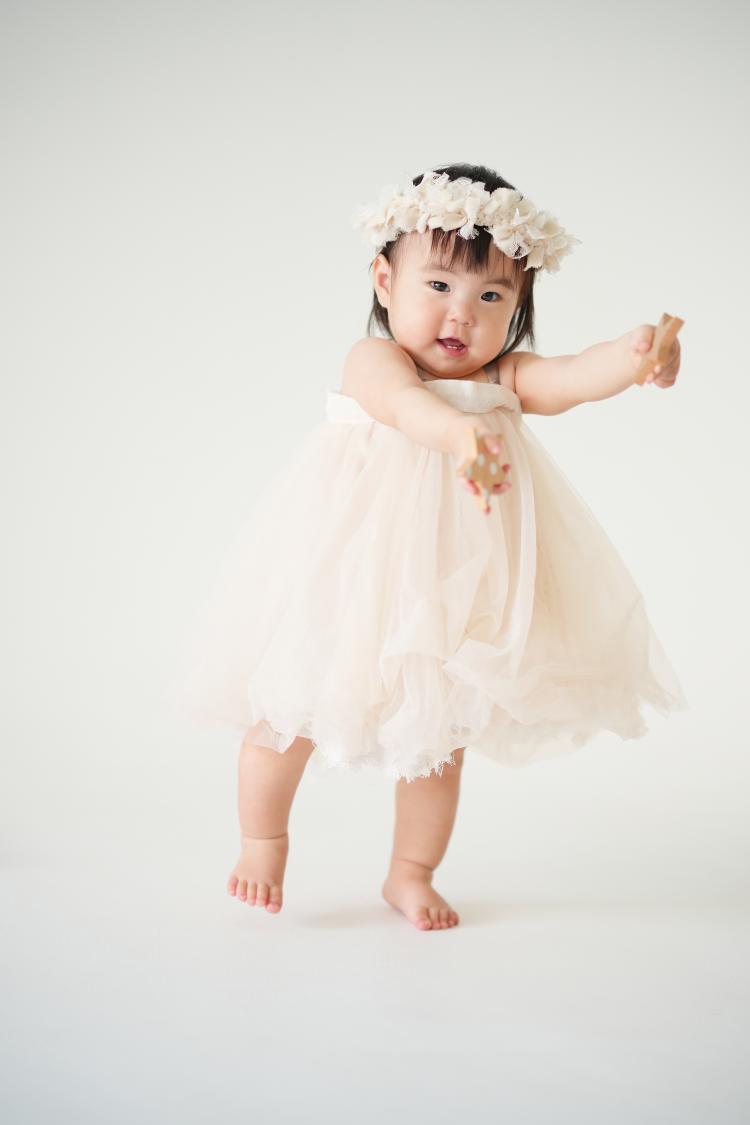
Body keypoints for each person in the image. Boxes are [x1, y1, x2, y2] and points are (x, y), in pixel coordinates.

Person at [171, 163, 688, 931]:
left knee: (440, 739)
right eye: (439, 285)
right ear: (385, 281)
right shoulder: (376, 359)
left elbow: (571, 377)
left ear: (520, 304)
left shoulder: (505, 374)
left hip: (450, 588)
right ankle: (262, 841)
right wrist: (458, 433)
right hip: (349, 575)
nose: (462, 315)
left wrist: (633, 355)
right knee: (290, 708)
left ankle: (410, 871)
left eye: (492, 297)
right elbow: (404, 407)